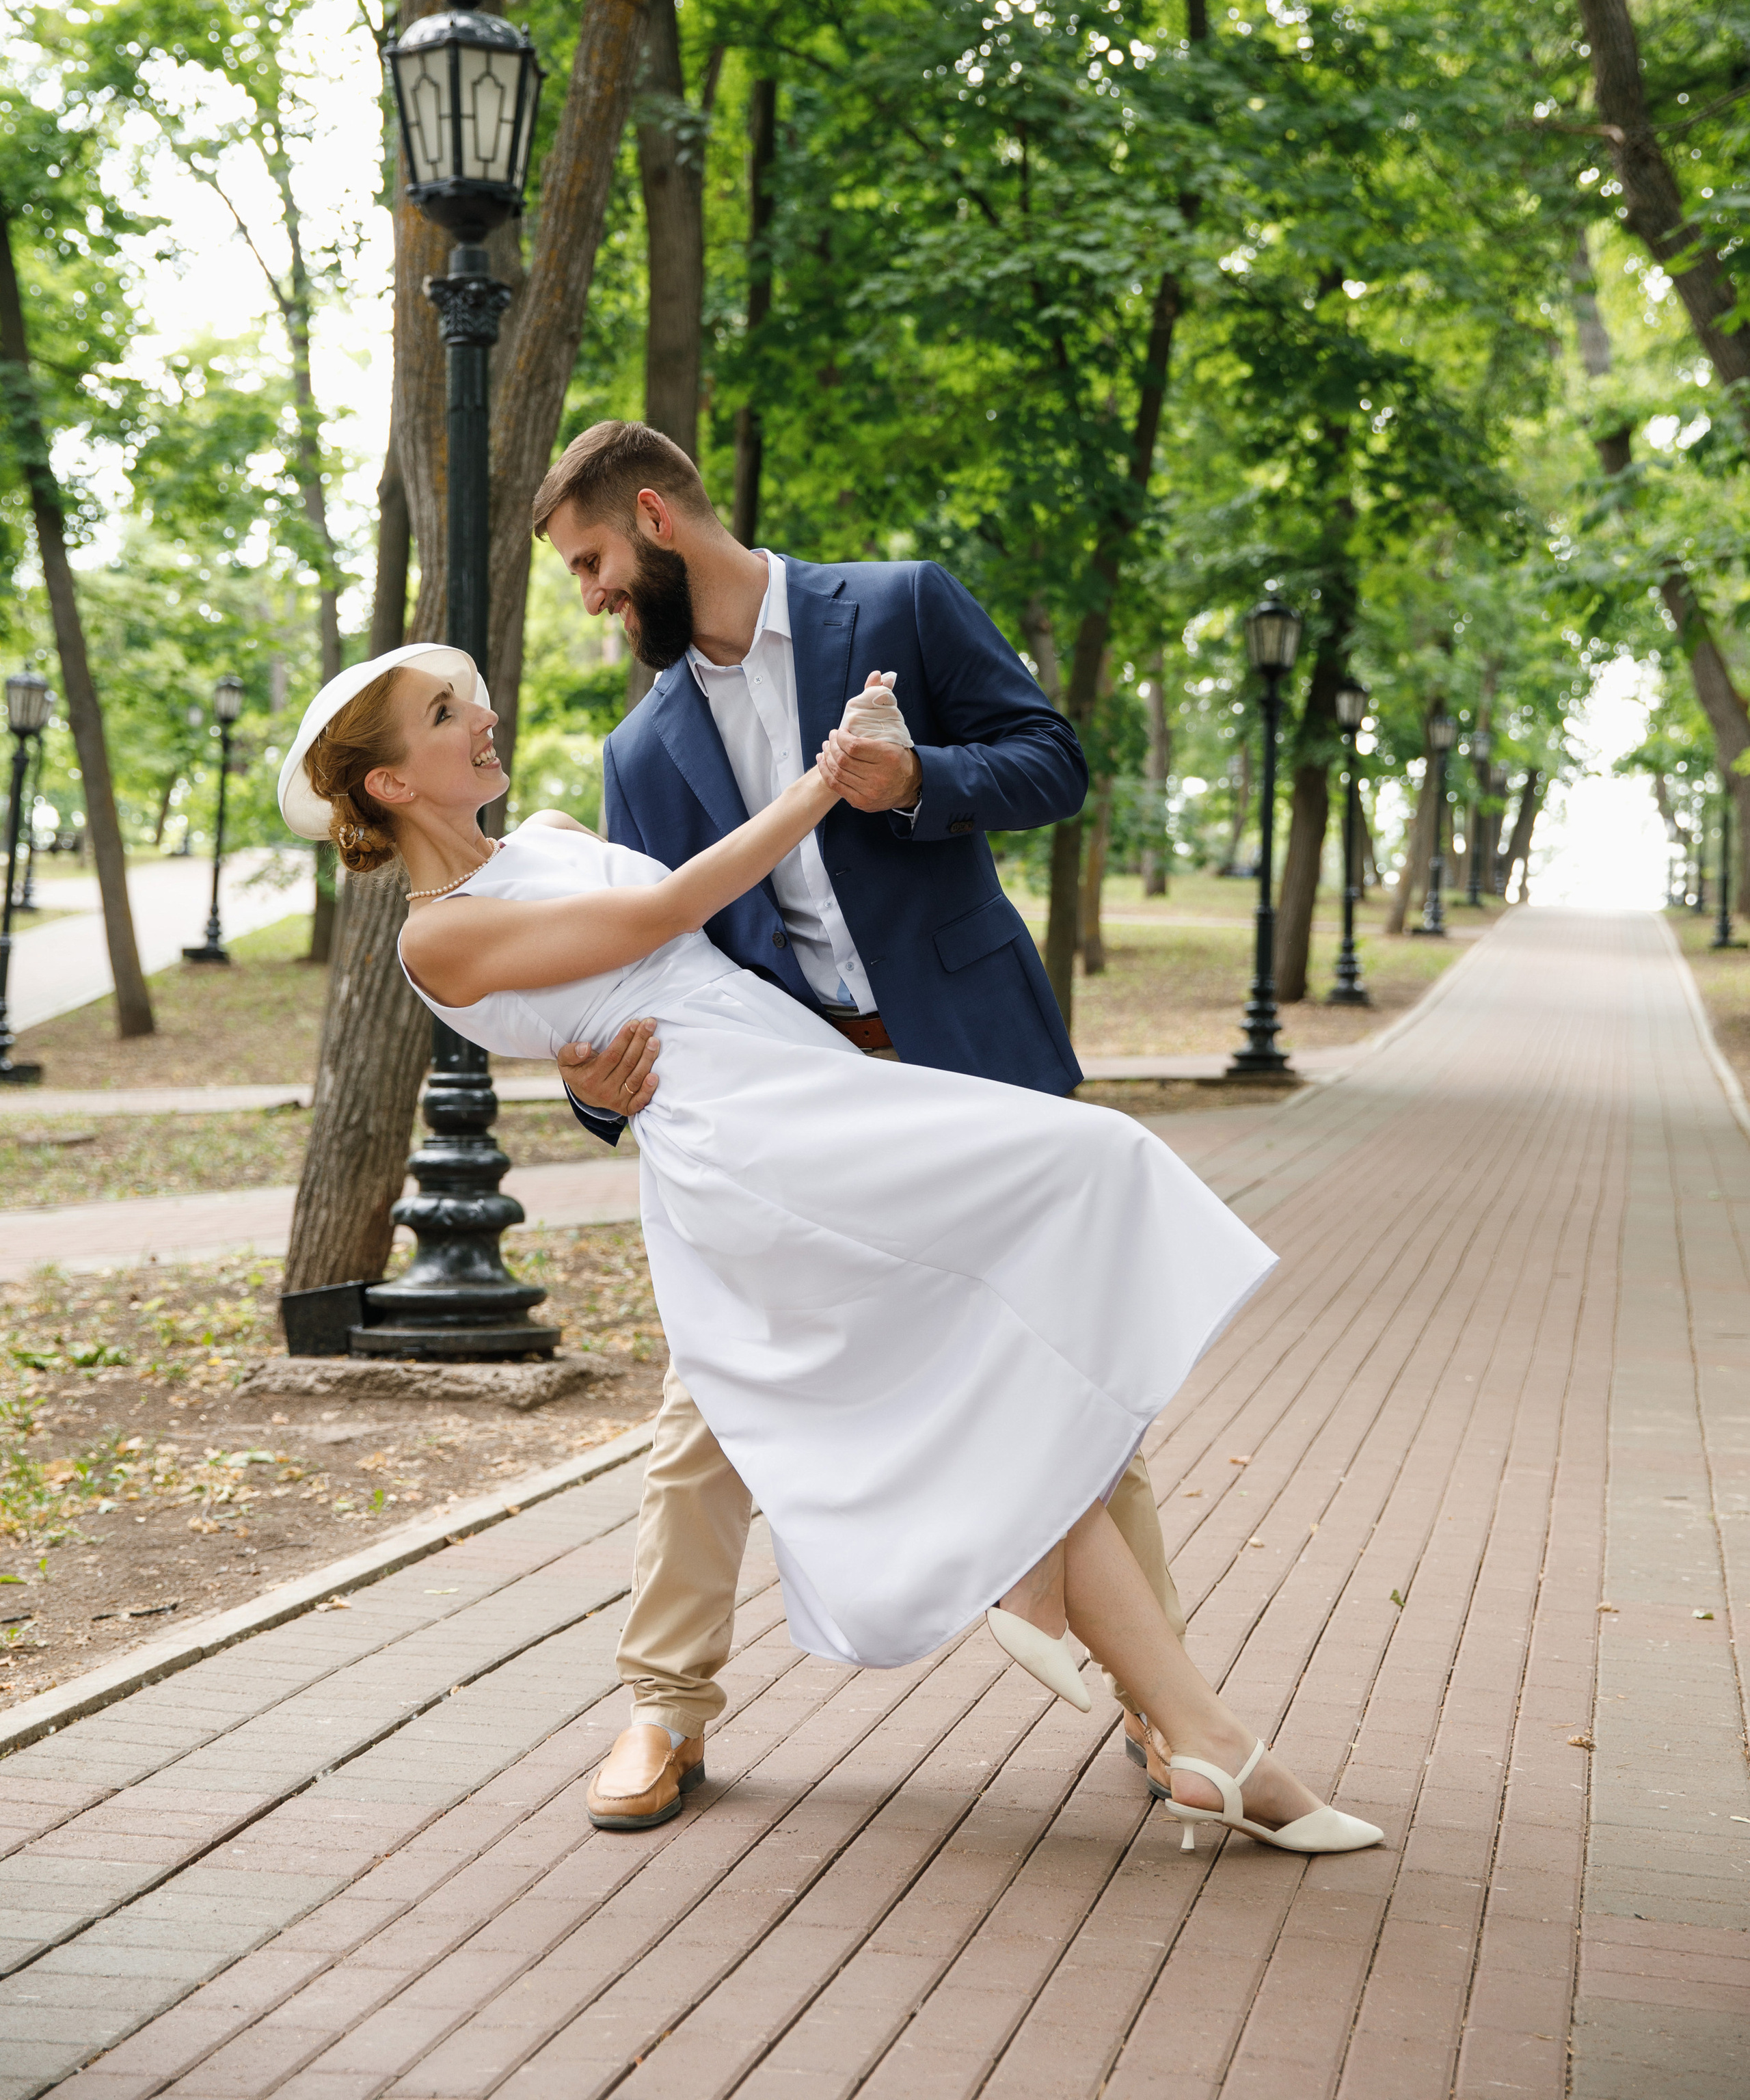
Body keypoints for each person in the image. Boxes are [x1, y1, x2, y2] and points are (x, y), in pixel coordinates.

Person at [275, 647, 1384, 1863]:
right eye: (445, 716)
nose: (482, 716)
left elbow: (681, 948)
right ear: (388, 786)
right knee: (1083, 1177)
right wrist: (822, 782)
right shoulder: (434, 940)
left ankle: (1191, 1727)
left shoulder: (540, 833)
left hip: (802, 1075)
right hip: (744, 1136)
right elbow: (656, 920)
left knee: (1009, 1333)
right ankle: (1162, 1710)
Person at [529, 420, 1186, 1831]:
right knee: (710, 1394)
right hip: (793, 1108)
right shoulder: (639, 749)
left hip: (966, 1069)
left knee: (1073, 1392)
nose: (588, 595)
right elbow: (640, 959)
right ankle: (662, 1706)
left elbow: (1053, 762)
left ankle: (1162, 1704)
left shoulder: (894, 605)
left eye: (589, 561)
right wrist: (593, 1090)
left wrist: (921, 785)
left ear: (653, 516)